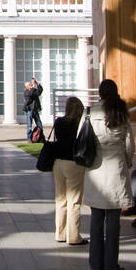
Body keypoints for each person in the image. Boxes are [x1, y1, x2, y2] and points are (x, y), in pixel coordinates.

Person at [83, 79, 135, 270]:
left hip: (96, 168)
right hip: (116, 167)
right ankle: (111, 264)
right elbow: (129, 143)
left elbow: (84, 137)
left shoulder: (90, 112)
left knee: (96, 219)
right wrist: (127, 161)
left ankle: (95, 264)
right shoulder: (121, 112)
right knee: (113, 221)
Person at [50, 97, 87, 245]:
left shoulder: (59, 121)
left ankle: (60, 233)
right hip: (73, 162)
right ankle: (73, 236)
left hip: (58, 162)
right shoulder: (80, 124)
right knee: (74, 200)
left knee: (60, 199)